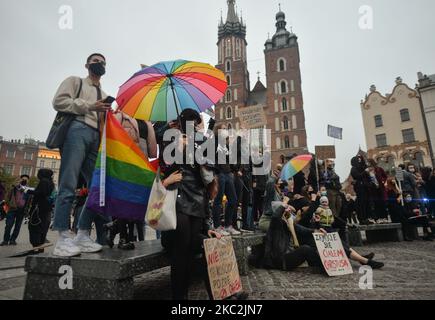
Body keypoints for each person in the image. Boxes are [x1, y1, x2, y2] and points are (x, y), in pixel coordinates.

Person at [51, 53, 112, 257]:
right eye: (96, 61)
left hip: (96, 136)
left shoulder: (103, 92)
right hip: (77, 129)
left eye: (103, 62)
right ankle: (63, 236)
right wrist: (90, 106)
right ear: (87, 65)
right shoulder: (75, 82)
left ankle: (82, 233)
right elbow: (59, 102)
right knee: (68, 183)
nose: (100, 64)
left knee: (99, 187)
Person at [211, 124, 240, 235]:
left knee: (233, 199)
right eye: (222, 128)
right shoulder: (214, 141)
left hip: (228, 174)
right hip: (219, 174)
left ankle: (228, 225)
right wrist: (215, 172)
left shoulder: (226, 145)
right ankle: (217, 226)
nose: (225, 130)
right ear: (217, 131)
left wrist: (235, 170)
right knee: (218, 200)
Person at [26, 169, 55, 250]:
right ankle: (41, 244)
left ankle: (36, 244)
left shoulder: (43, 181)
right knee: (43, 226)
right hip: (47, 207)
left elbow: (41, 193)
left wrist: (28, 191)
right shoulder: (51, 182)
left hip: (39, 207)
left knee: (34, 225)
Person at [1, 175, 30, 246]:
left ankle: (13, 240)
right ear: (20, 179)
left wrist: (27, 210)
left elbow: (29, 200)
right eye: (23, 179)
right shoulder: (14, 188)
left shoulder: (28, 190)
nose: (24, 181)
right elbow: (7, 197)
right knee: (8, 225)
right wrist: (9, 205)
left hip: (22, 210)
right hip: (12, 209)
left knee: (17, 226)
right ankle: (5, 240)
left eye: (26, 180)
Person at [350, 155, 371, 225]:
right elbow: (358, 176)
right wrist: (365, 172)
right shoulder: (353, 169)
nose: (359, 161)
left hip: (364, 187)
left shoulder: (359, 168)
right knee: (361, 203)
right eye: (358, 160)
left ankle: (366, 217)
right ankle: (362, 219)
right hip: (359, 188)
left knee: (365, 203)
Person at [367, 159, 388, 223]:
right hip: (373, 190)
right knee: (376, 204)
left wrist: (383, 181)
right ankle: (378, 218)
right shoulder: (367, 171)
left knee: (382, 203)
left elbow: (385, 176)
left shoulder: (379, 169)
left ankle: (384, 217)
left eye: (369, 163)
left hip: (380, 188)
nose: (368, 165)